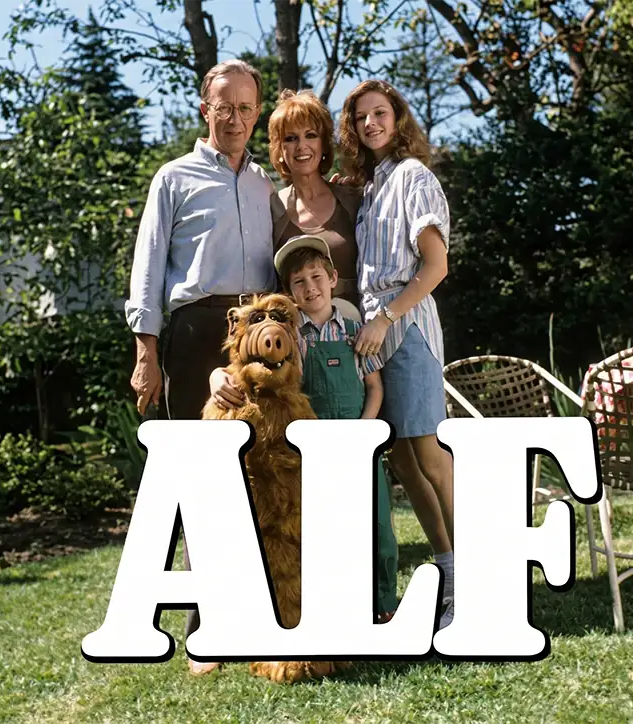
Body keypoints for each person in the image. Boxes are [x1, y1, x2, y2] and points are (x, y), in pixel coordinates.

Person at [124, 59, 275, 675]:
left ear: (257, 114)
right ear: (204, 109)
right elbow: (148, 266)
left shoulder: (265, 183)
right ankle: (203, 626)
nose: (234, 118)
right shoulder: (173, 178)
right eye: (224, 106)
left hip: (254, 336)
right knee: (200, 476)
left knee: (256, 469)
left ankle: (260, 610)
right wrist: (147, 352)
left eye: (245, 107)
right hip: (193, 333)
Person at [210, 235, 401, 623]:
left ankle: (382, 603)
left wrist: (363, 433)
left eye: (316, 277)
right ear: (289, 293)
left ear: (332, 278)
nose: (310, 288)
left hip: (356, 443)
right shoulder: (290, 339)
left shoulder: (355, 331)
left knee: (376, 523)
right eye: (299, 282)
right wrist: (216, 374)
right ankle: (334, 604)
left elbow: (375, 388)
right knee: (323, 526)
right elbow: (243, 366)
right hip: (308, 449)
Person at [338, 79, 456, 628]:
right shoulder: (370, 189)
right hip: (373, 335)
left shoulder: (413, 176)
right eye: (360, 117)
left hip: (404, 328)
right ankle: (448, 571)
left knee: (429, 456)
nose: (371, 123)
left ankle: (479, 579)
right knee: (404, 464)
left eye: (380, 113)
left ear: (397, 118)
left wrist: (386, 318)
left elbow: (435, 266)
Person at [267, 89, 364, 315]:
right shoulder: (271, 209)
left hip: (361, 327)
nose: (302, 146)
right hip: (299, 331)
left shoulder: (353, 199)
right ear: (279, 149)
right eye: (291, 138)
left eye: (310, 135)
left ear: (324, 144)